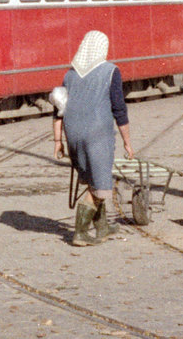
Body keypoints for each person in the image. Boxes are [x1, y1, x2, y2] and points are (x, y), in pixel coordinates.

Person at [52, 30, 134, 246]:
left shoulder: (70, 74)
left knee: (92, 180)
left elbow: (58, 109)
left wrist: (58, 142)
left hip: (73, 135)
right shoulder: (110, 71)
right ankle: (80, 232)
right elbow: (119, 109)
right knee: (100, 187)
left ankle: (103, 227)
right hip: (98, 135)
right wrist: (127, 141)